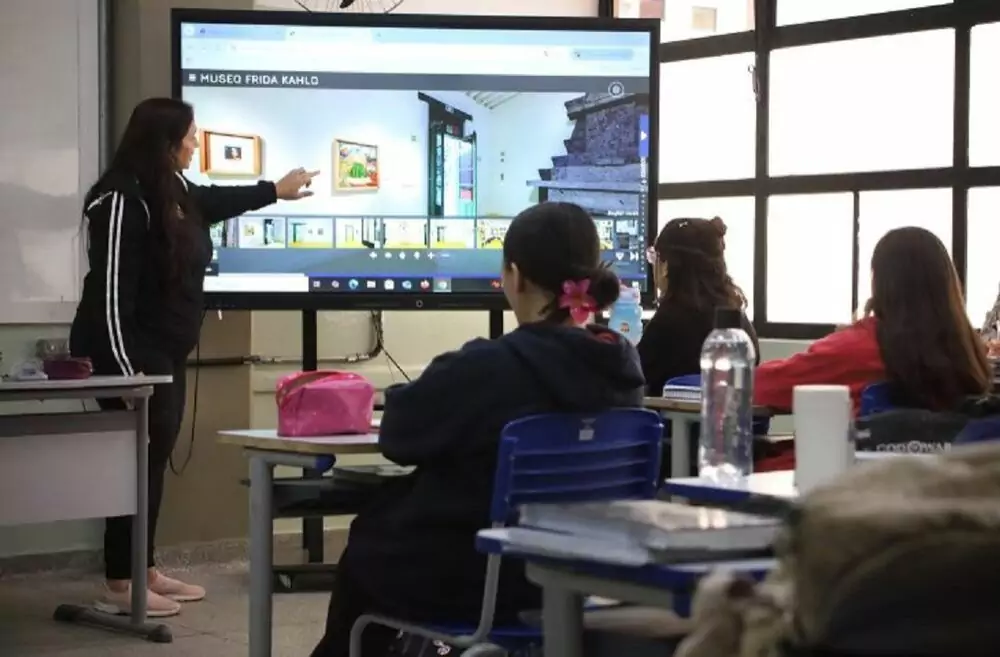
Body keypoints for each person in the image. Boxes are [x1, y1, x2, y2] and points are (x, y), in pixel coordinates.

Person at [310, 202, 646, 657]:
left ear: (515, 276)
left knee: (368, 545)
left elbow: (398, 437)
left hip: (479, 578)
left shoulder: (488, 367)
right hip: (580, 575)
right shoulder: (621, 369)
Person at [70, 98, 317, 617]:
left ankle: (143, 567)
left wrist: (274, 190)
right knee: (132, 466)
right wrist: (124, 373)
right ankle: (120, 583)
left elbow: (212, 201)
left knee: (152, 463)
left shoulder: (173, 189)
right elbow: (109, 297)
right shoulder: (120, 199)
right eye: (189, 135)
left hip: (162, 355)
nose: (195, 143)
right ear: (164, 141)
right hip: (129, 357)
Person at [755, 226, 991, 415]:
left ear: (879, 281)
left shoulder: (855, 348)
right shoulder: (968, 353)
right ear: (947, 286)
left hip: (862, 472)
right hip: (945, 473)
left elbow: (758, 386)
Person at [638, 217, 758, 396]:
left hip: (671, 423)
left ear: (665, 266)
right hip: (732, 422)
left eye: (654, 257)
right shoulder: (737, 322)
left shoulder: (666, 323)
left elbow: (632, 374)